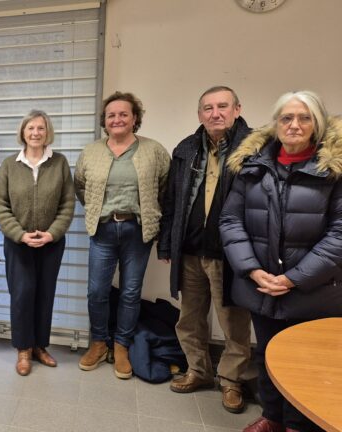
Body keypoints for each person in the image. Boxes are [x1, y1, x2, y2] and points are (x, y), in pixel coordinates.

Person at [221, 91, 342, 432]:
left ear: (317, 124)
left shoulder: (334, 170)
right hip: (261, 283)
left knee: (306, 362)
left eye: (304, 118)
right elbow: (231, 220)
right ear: (275, 124)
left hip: (314, 287)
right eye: (286, 118)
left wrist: (293, 278)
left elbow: (339, 234)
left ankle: (297, 424)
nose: (294, 125)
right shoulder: (254, 166)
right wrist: (252, 269)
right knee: (267, 354)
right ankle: (272, 417)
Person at [157, 86, 252, 413]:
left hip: (230, 253)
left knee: (233, 321)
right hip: (190, 250)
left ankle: (231, 381)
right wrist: (168, 241)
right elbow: (170, 201)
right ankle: (198, 370)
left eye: (223, 106)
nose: (216, 113)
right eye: (208, 108)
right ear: (200, 114)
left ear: (237, 109)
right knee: (189, 317)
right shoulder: (185, 149)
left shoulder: (253, 148)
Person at [74, 91, 170, 380]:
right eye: (111, 115)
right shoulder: (91, 152)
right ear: (105, 121)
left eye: (123, 114)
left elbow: (165, 187)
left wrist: (151, 215)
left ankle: (122, 346)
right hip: (102, 230)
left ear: (135, 118)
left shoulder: (154, 151)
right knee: (96, 291)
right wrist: (95, 209)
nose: (117, 119)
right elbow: (80, 186)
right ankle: (99, 342)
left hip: (137, 231)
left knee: (130, 292)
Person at [0, 109, 74, 376]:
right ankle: (23, 349)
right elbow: (1, 206)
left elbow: (67, 203)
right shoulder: (9, 165)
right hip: (18, 243)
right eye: (30, 128)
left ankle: (40, 346)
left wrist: (53, 233)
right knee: (22, 295)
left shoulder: (60, 163)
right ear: (23, 132)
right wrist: (20, 234)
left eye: (40, 128)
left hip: (51, 243)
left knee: (44, 295)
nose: (35, 133)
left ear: (47, 132)